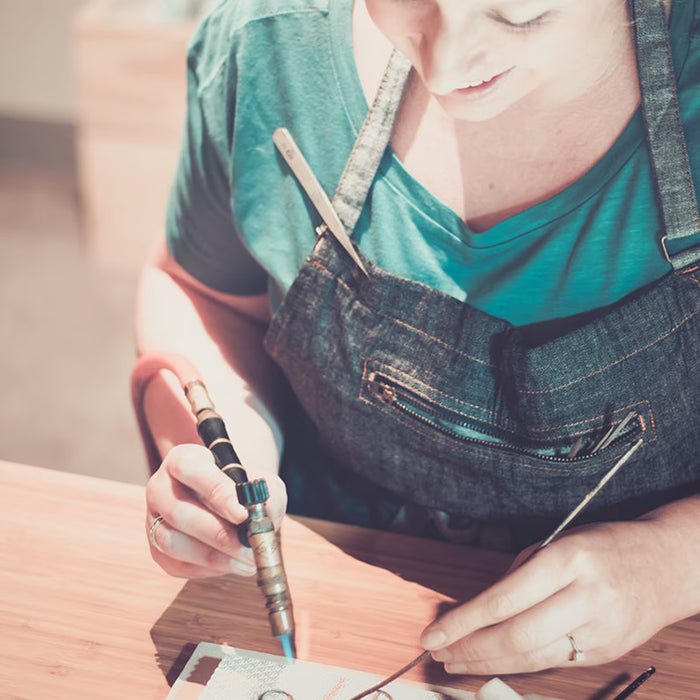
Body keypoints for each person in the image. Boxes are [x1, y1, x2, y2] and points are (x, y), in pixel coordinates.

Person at [135, 0, 700, 676]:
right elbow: (201, 292)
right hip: (333, 574)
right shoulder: (271, 43)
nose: (447, 66)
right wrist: (222, 452)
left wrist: (672, 563)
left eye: (520, 15)